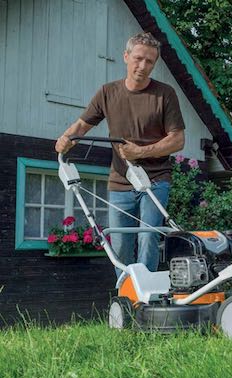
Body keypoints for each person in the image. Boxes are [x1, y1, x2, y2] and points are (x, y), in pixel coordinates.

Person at [55, 32, 185, 278]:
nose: (143, 66)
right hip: (120, 181)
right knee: (121, 244)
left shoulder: (164, 94)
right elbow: (81, 126)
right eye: (138, 58)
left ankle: (146, 299)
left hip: (155, 179)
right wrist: (65, 140)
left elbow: (177, 140)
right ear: (126, 57)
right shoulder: (108, 93)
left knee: (148, 236)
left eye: (149, 62)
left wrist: (140, 151)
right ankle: (126, 296)